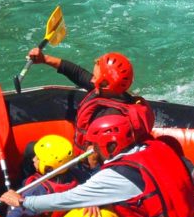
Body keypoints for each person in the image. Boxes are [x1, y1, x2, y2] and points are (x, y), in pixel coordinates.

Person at [0, 115, 194, 217]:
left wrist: (23, 202)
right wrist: (95, 199)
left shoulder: (117, 174)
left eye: (95, 146)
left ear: (111, 146)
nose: (91, 151)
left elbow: (67, 199)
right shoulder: (156, 148)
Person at [25, 47, 154, 151]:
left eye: (96, 76)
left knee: (32, 152)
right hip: (89, 156)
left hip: (91, 168)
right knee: (32, 148)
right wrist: (45, 58)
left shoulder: (109, 119)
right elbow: (77, 73)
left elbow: (96, 158)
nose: (91, 78)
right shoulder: (111, 91)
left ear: (105, 84)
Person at [5, 135, 77, 217]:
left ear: (48, 167)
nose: (34, 159)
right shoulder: (74, 176)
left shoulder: (36, 190)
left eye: (38, 158)